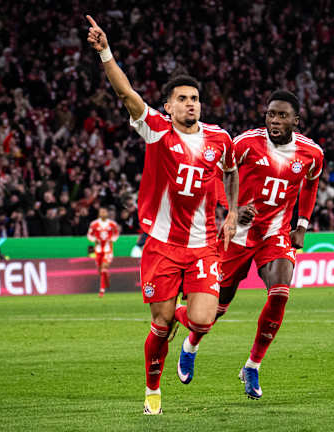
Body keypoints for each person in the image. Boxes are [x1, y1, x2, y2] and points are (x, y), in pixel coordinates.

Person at [86, 15, 239, 415]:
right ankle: (153, 388)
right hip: (163, 246)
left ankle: (188, 347)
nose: (190, 104)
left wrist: (233, 211)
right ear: (168, 105)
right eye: (182, 99)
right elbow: (126, 94)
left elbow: (232, 171)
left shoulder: (220, 139)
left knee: (203, 320)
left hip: (203, 244)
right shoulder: (155, 128)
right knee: (162, 323)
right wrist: (105, 51)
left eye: (195, 99)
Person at [175, 90, 324, 400]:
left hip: (275, 235)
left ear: (296, 120)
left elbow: (311, 183)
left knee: (280, 294)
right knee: (216, 309)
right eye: (271, 114)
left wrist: (302, 225)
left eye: (282, 115)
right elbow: (215, 173)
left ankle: (253, 366)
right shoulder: (244, 143)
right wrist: (231, 208)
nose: (275, 120)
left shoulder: (312, 153)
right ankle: (191, 344)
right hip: (237, 236)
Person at [87, 207, 120, 297]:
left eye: (104, 212)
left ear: (107, 213)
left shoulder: (112, 224)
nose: (103, 213)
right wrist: (94, 239)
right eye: (101, 212)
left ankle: (101, 291)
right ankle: (106, 281)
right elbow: (89, 235)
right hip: (98, 249)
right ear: (99, 213)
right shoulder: (94, 224)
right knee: (100, 270)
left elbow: (116, 234)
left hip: (108, 249)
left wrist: (112, 239)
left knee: (103, 268)